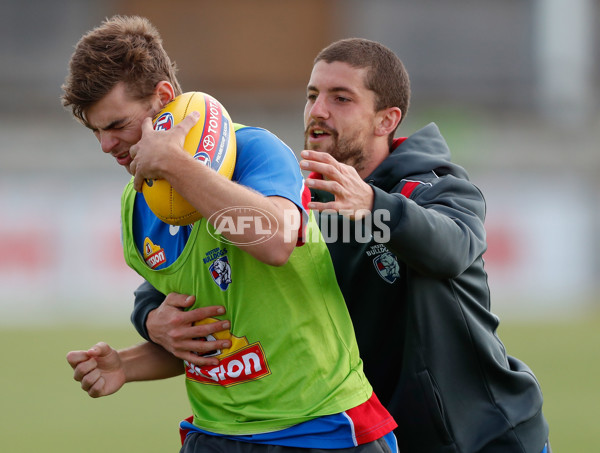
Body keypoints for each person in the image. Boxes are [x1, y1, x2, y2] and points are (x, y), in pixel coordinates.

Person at [132, 38, 551, 453]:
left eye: (341, 98)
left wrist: (373, 206)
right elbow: (194, 268)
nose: (318, 111)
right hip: (364, 435)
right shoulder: (293, 200)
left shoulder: (434, 188)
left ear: (386, 121)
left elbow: (453, 249)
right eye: (312, 95)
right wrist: (151, 316)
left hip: (479, 437)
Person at [61, 17, 398, 452]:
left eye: (116, 125)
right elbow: (214, 333)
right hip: (216, 434)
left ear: (163, 99)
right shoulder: (137, 206)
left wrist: (176, 165)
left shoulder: (255, 151)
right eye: (97, 132)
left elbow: (274, 241)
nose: (107, 145)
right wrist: (127, 363)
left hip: (323, 428)